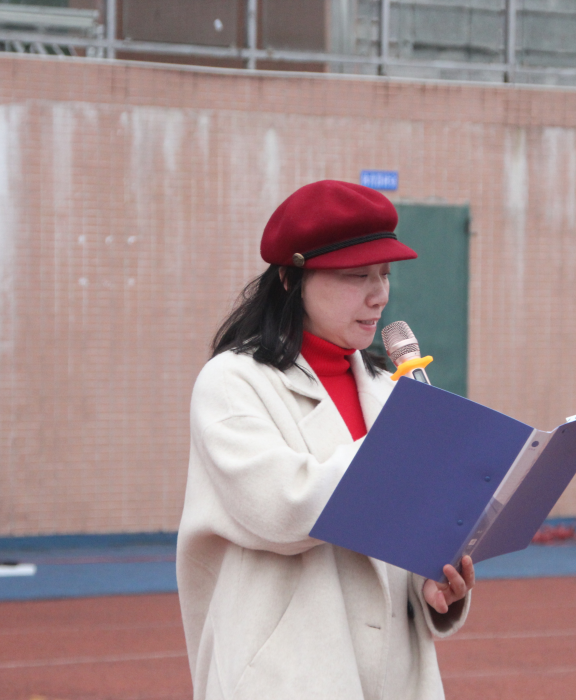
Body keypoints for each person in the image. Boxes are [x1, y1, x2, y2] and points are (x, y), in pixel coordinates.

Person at [176, 180, 474, 700]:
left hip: (394, 677)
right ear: (290, 278)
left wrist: (431, 581)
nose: (379, 295)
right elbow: (282, 509)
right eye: (357, 275)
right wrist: (406, 449)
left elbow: (395, 529)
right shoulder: (231, 382)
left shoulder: (387, 389)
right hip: (284, 677)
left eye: (384, 274)